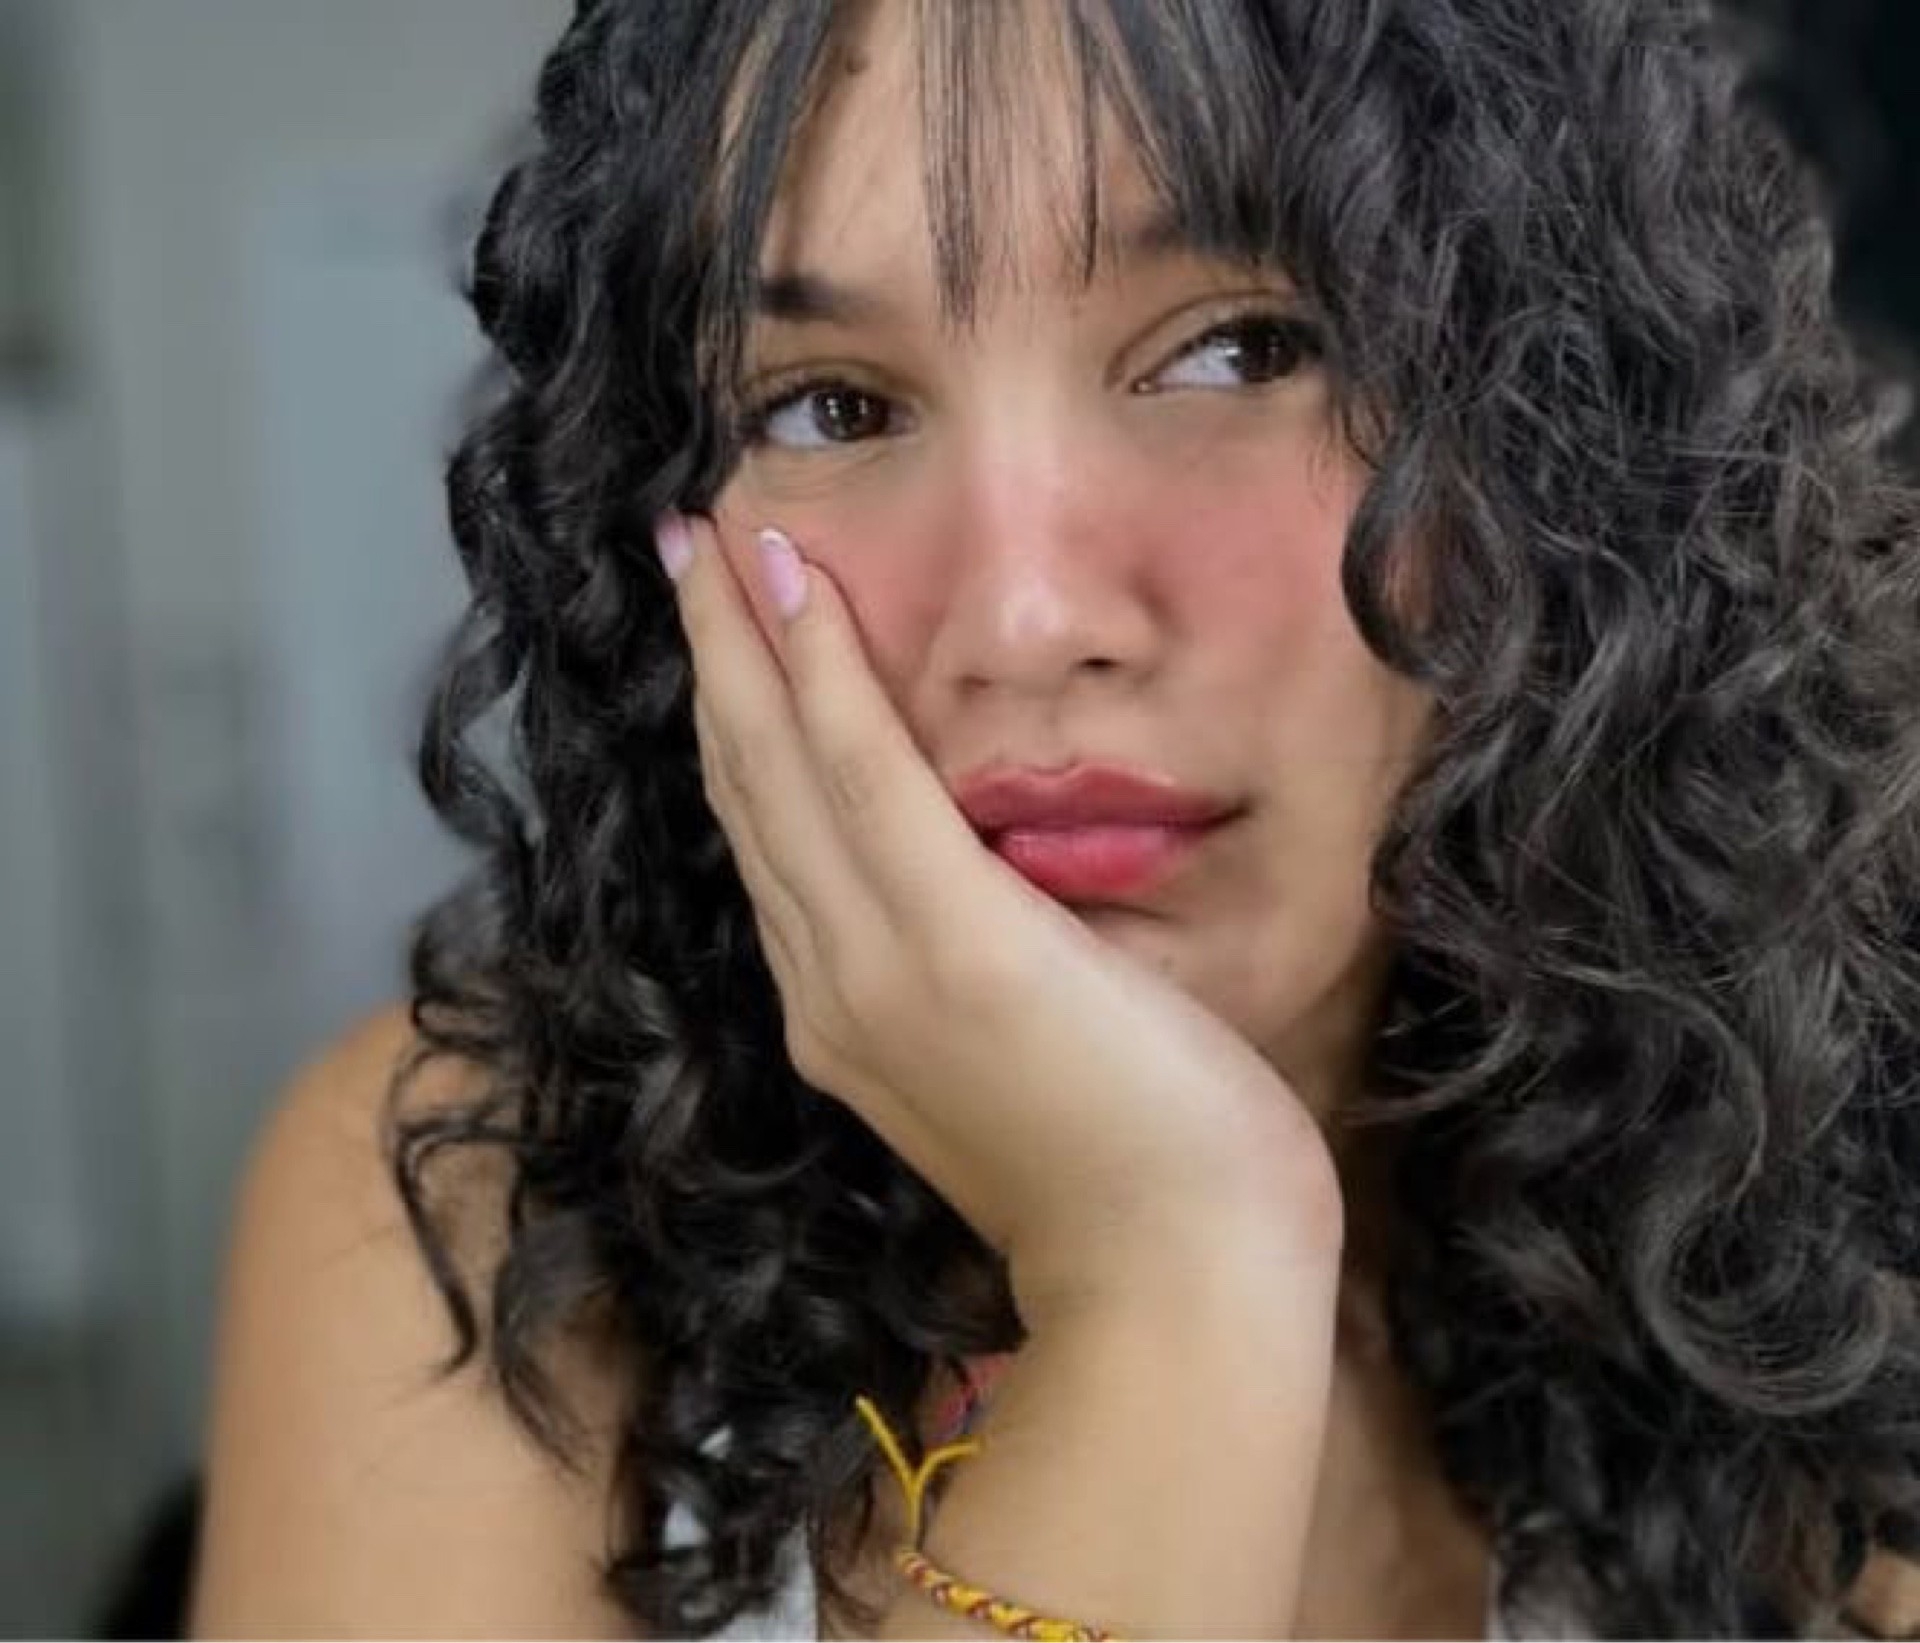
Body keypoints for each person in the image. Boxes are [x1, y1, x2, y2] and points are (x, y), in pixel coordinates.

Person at [187, 0, 1920, 1636]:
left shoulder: (1829, 1220)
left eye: (1236, 351)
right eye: (831, 407)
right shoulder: (470, 1213)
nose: (1025, 620)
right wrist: (1158, 1267)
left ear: (1558, 436)